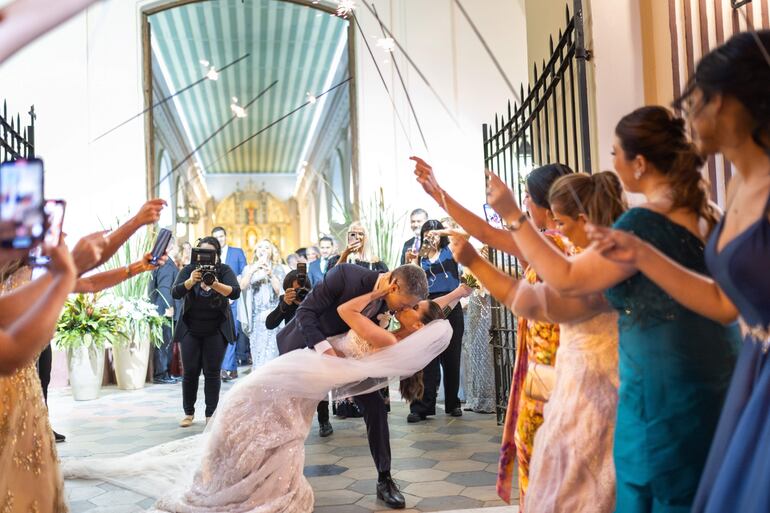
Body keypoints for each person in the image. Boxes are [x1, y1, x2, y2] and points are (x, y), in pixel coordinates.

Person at [481, 106, 741, 512]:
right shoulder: (712, 216)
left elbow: (566, 278)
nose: (613, 161)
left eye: (616, 152)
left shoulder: (641, 224)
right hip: (720, 373)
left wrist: (514, 215)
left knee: (656, 488)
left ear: (639, 163)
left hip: (660, 385)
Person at [587, 31, 770, 513]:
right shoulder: (735, 191)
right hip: (751, 368)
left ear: (732, 105)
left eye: (700, 100)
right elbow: (724, 302)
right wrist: (642, 254)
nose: (690, 114)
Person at [62, 292, 453, 513]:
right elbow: (438, 313)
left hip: (311, 372)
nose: (408, 303)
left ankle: (241, 478)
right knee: (263, 415)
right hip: (312, 371)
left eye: (415, 306)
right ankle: (236, 471)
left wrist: (381, 288)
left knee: (253, 404)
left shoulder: (388, 338)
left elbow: (346, 311)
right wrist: (458, 292)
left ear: (417, 325)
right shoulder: (401, 336)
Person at [451, 171, 627, 512]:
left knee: (575, 490)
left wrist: (475, 260)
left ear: (583, 220)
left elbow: (531, 300)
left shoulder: (583, 266)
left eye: (560, 222)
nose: (557, 230)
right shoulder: (616, 256)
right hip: (581, 382)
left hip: (582, 388)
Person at [411, 156, 572, 505]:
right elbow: (487, 233)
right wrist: (438, 194)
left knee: (551, 459)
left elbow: (492, 245)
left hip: (557, 367)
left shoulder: (555, 245)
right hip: (543, 364)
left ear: (547, 204)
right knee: (544, 458)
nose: (524, 204)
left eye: (528, 197)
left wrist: (473, 259)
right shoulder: (546, 240)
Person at [276, 263, 428, 509]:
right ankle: (278, 480)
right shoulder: (345, 276)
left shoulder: (388, 304)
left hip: (349, 359)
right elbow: (305, 313)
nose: (404, 309)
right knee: (290, 418)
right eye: (404, 303)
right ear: (394, 286)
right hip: (306, 347)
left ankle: (384, 479)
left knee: (376, 408)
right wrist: (326, 351)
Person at [172, 236, 241, 428]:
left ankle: (211, 414)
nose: (205, 258)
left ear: (217, 255)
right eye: (202, 253)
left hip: (216, 328)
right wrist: (190, 281)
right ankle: (188, 412)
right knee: (190, 372)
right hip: (190, 329)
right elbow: (175, 292)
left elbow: (235, 292)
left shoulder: (224, 270)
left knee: (212, 373)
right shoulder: (188, 270)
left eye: (210, 253)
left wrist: (214, 284)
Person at [263, 269, 333, 437]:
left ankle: (324, 420)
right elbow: (270, 324)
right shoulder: (285, 302)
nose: (298, 293)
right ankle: (293, 421)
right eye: (294, 290)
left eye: (301, 290)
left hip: (312, 345)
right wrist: (284, 305)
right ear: (287, 290)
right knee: (293, 388)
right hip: (293, 350)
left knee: (319, 385)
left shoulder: (315, 299)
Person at [407, 219, 465, 421]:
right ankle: (422, 406)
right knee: (426, 358)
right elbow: (412, 286)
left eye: (434, 233)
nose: (430, 237)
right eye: (427, 233)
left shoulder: (451, 252)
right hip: (427, 308)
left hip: (452, 306)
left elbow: (464, 234)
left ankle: (452, 403)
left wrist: (442, 232)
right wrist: (412, 262)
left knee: (452, 358)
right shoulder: (418, 256)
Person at [238, 239, 285, 369]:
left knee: (271, 354)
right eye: (260, 247)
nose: (263, 250)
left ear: (271, 252)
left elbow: (279, 291)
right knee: (257, 354)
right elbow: (242, 286)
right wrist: (253, 270)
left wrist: (270, 274)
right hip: (256, 318)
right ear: (256, 252)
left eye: (266, 248)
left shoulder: (277, 268)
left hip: (273, 316)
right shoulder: (248, 268)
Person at [460, 246, 495, 414]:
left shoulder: (501, 254)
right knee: (476, 349)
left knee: (492, 349)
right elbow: (467, 281)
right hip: (476, 303)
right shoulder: (472, 258)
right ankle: (477, 396)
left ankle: (495, 397)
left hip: (493, 303)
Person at [212, 226, 247, 382]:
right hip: (214, 300)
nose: (219, 239)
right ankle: (227, 368)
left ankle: (227, 368)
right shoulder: (210, 255)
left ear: (226, 237)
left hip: (233, 299)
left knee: (231, 332)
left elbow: (244, 273)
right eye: (216, 237)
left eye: (221, 236)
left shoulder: (237, 252)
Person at [148, 238, 179, 384]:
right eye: (176, 244)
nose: (178, 247)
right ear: (171, 246)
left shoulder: (165, 262)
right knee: (164, 342)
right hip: (164, 308)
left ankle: (165, 372)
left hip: (163, 307)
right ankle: (161, 374)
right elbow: (164, 287)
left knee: (166, 340)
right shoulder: (166, 264)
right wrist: (168, 306)